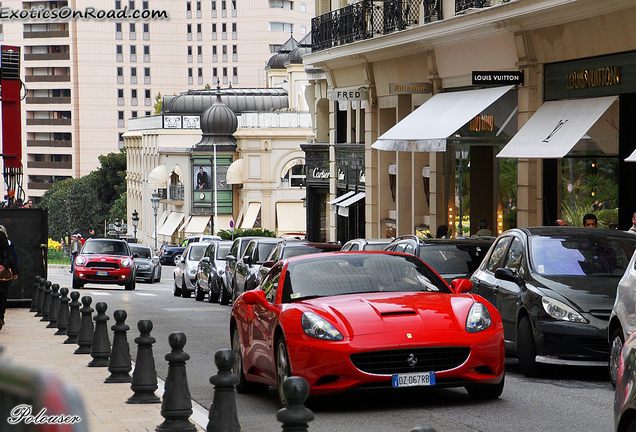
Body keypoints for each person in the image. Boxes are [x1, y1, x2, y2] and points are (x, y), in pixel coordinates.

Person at [0, 225, 19, 330]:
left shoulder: (6, 242)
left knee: (2, 294)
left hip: (3, 273)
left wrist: (13, 270)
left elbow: (11, 256)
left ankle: (1, 316)